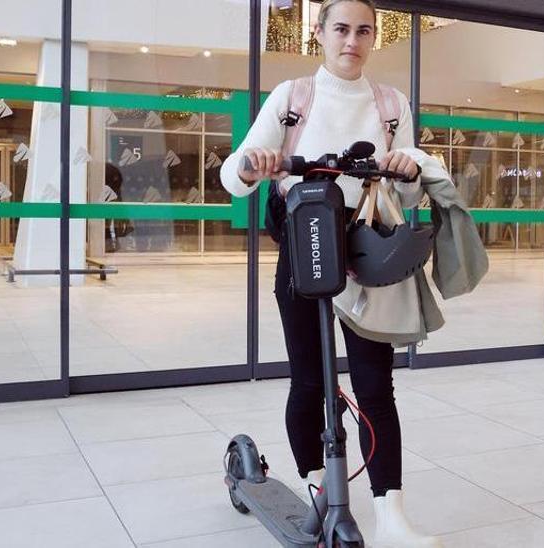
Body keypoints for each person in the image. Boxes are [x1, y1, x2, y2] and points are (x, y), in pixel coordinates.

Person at [219, 1, 442, 546]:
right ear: (319, 33)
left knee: (375, 387)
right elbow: (235, 174)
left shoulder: (391, 105)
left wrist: (410, 164)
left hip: (368, 250)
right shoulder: (293, 98)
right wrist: (257, 163)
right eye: (341, 29)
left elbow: (409, 187)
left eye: (363, 31)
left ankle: (391, 517)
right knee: (310, 381)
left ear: (373, 38)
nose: (352, 40)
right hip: (306, 243)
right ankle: (320, 494)